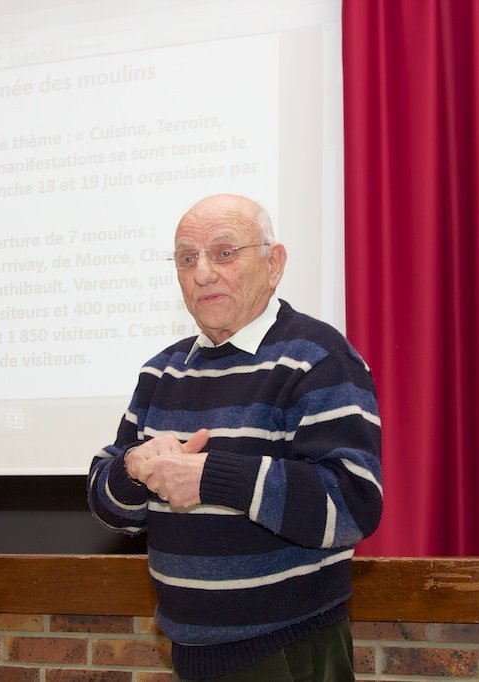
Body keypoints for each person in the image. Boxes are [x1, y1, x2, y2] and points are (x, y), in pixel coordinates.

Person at [87, 193, 383, 681]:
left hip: (290, 651)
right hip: (188, 654)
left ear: (274, 263)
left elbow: (353, 505)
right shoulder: (161, 372)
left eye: (224, 252)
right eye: (187, 258)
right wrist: (133, 468)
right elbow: (107, 506)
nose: (203, 273)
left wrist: (212, 478)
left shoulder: (318, 358)